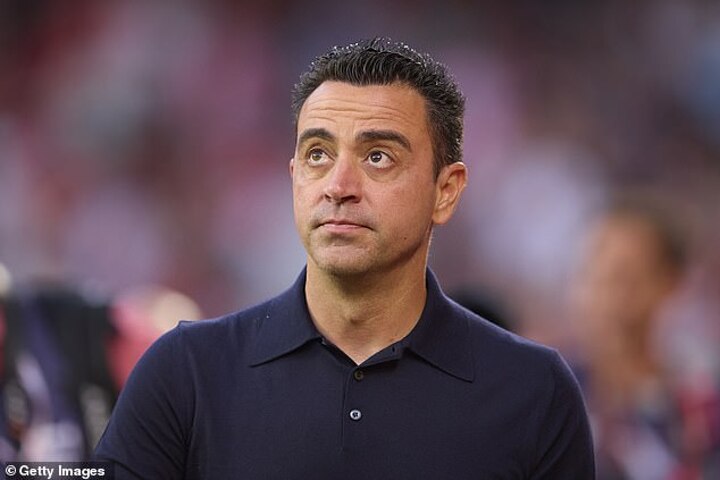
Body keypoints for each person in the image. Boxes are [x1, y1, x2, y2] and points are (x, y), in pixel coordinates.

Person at [95, 38, 595, 479]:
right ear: (294, 176)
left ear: (445, 191)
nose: (338, 186)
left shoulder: (534, 391)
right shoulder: (184, 372)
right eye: (318, 154)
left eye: (378, 157)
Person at [570, 197, 720, 479]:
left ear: (670, 283)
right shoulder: (552, 389)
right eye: (592, 275)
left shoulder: (702, 403)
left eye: (624, 278)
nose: (604, 297)